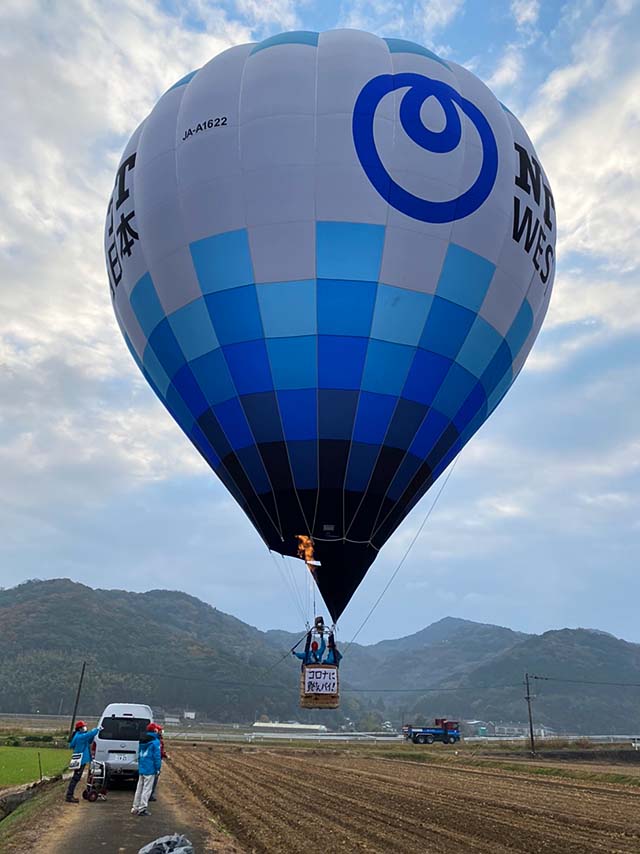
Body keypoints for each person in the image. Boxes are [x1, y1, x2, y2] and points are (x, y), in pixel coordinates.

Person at [66, 720, 101, 803]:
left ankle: (69, 795)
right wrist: (97, 730)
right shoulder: (80, 737)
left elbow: (89, 740)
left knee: (76, 777)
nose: (85, 728)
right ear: (80, 728)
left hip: (78, 759)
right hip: (80, 760)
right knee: (76, 778)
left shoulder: (78, 736)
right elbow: (89, 735)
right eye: (83, 727)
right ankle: (69, 796)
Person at [131, 723, 161, 816]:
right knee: (147, 790)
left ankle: (135, 808)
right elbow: (156, 757)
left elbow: (139, 756)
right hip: (150, 768)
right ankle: (142, 808)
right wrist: (158, 768)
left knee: (139, 789)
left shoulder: (142, 741)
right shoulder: (155, 742)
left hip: (142, 768)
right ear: (155, 730)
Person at [149, 724, 168, 802]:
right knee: (153, 780)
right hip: (154, 763)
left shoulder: (152, 740)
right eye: (160, 731)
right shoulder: (158, 741)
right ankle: (150, 795)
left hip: (150, 763)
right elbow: (158, 753)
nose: (161, 732)